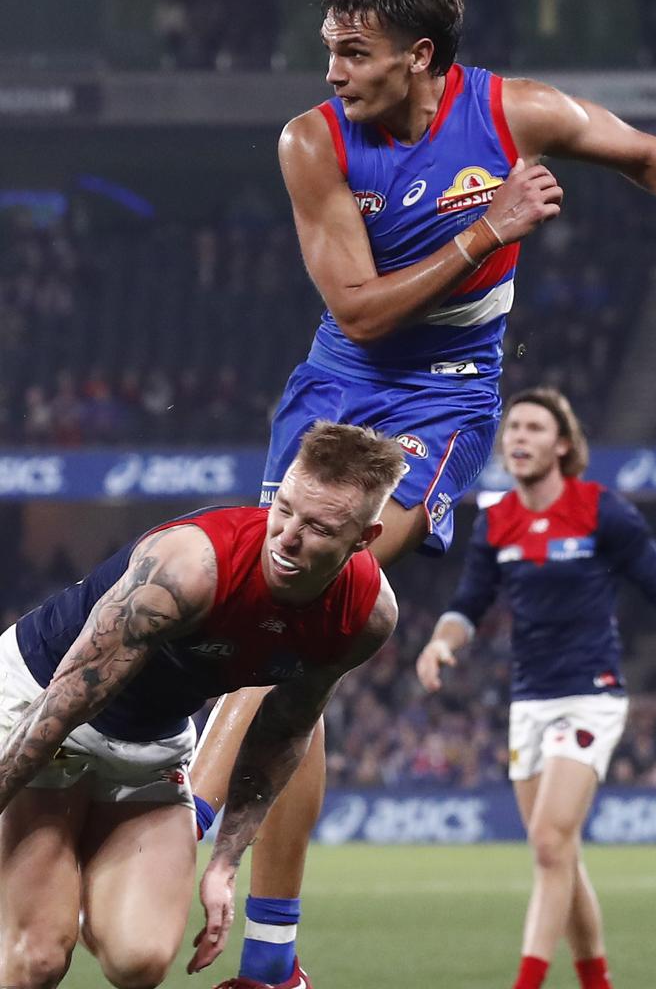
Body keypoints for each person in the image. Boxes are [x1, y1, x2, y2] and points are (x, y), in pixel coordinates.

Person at [191, 0, 656, 984]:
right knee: (279, 635)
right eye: (328, 48)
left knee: (304, 601)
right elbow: (361, 311)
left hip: (444, 397)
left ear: (421, 57)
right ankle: (266, 947)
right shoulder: (313, 140)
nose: (331, 70)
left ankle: (185, 829)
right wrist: (486, 229)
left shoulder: (513, 111)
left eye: (353, 52)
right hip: (336, 380)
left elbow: (643, 154)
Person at [0, 421, 402, 988]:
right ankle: (45, 899)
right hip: (43, 703)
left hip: (151, 740)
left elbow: (286, 730)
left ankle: (69, 880)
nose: (286, 536)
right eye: (283, 508)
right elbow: (63, 706)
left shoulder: (365, 617)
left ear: (364, 537)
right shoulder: (190, 568)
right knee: (38, 959)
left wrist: (226, 861)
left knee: (139, 962)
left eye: (317, 527)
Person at [415, 387, 656, 989]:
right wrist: (441, 643)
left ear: (562, 444)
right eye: (512, 428)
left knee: (547, 841)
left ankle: (527, 981)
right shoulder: (496, 520)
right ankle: (598, 982)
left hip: (590, 693)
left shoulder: (602, 510)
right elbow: (467, 605)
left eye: (535, 428)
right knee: (559, 853)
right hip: (528, 702)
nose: (518, 438)